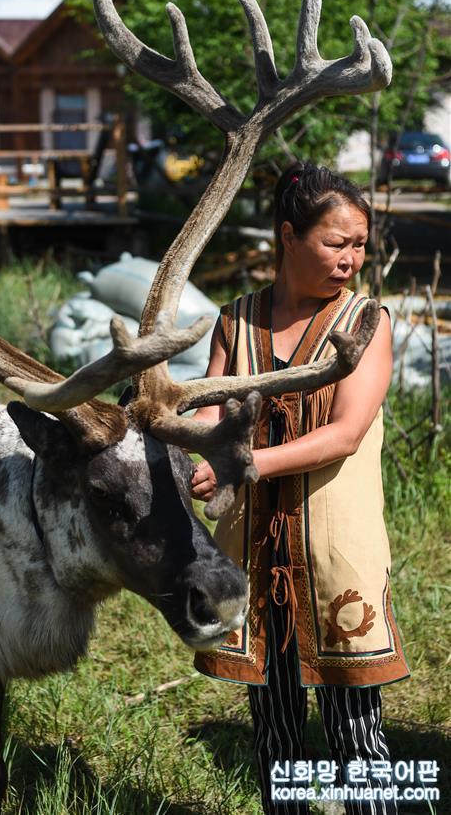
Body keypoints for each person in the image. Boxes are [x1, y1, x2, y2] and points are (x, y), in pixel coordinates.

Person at [191, 162, 410, 815]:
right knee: (276, 730)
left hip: (334, 556)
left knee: (356, 734)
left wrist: (247, 463)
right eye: (335, 243)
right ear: (288, 235)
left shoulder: (367, 321)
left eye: (360, 244)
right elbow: (211, 414)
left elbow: (344, 433)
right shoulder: (236, 320)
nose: (352, 259)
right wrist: (200, 450)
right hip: (253, 557)